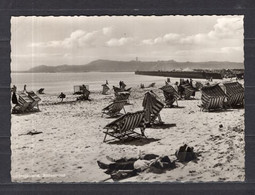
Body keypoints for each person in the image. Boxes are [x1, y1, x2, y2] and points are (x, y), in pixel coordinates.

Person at [97, 154, 175, 180]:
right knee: (126, 160)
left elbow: (139, 171)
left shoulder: (156, 166)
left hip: (135, 165)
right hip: (138, 161)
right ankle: (113, 162)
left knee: (122, 165)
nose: (158, 160)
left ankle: (108, 166)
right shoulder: (157, 162)